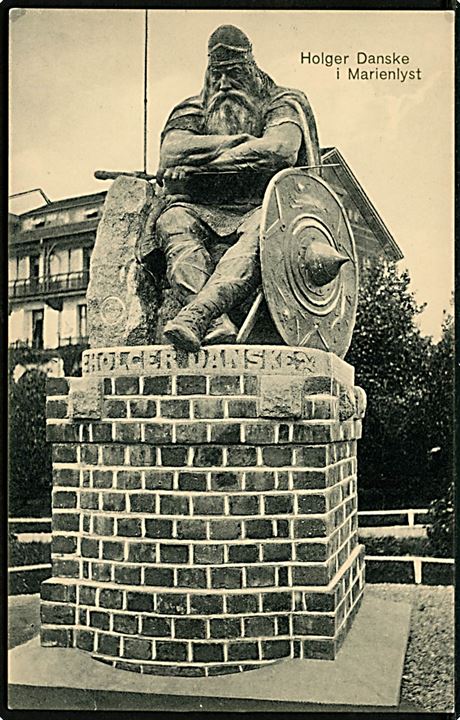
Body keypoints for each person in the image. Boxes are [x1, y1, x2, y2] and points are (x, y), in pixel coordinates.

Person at [155, 24, 321, 352]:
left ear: (251, 69)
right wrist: (242, 146)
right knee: (171, 221)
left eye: (233, 74)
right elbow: (171, 151)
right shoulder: (193, 107)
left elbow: (280, 150)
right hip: (202, 208)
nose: (224, 84)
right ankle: (215, 323)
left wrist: (203, 157)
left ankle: (196, 314)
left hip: (264, 206)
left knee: (266, 229)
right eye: (216, 75)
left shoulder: (282, 101)